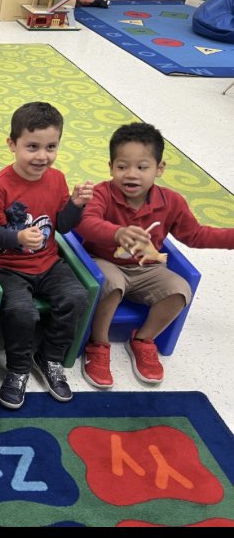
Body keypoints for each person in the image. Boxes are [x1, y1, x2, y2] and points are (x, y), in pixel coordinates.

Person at [76, 122, 234, 387]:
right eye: (122, 166)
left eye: (142, 166)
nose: (131, 174)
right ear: (111, 167)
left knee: (179, 288)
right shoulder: (102, 193)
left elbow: (195, 235)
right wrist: (116, 233)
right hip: (102, 262)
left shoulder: (171, 202)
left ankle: (143, 340)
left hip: (146, 268)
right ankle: (98, 344)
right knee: (111, 284)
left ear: (159, 168)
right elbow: (85, 222)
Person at [0, 102, 93, 410]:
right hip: (7, 266)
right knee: (22, 312)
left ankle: (50, 357)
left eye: (51, 147)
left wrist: (75, 204)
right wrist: (16, 237)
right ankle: (18, 369)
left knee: (76, 296)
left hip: (47, 262)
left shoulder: (56, 179)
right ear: (12, 144)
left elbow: (64, 226)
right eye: (32, 146)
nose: (42, 156)